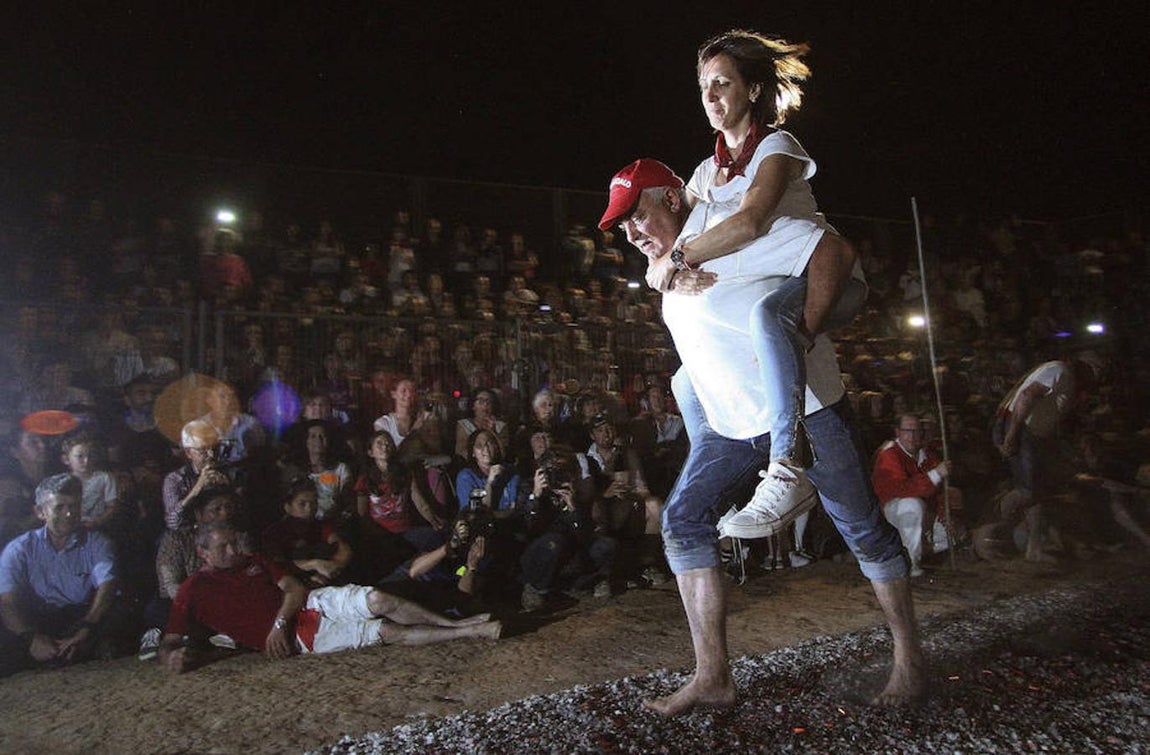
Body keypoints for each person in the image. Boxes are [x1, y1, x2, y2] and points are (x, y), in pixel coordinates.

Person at [599, 154, 923, 714]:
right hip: (730, 429)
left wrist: (807, 328)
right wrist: (666, 268)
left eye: (639, 216)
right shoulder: (667, 264)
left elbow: (834, 254)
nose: (632, 233)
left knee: (864, 531)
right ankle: (713, 677)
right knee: (682, 521)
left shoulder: (733, 232)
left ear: (672, 200)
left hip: (807, 416)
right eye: (623, 226)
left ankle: (910, 663)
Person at [601, 31, 865, 541]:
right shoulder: (706, 173)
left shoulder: (776, 146)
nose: (712, 97)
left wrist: (678, 258)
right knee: (685, 381)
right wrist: (676, 271)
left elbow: (748, 222)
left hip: (819, 274)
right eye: (704, 88)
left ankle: (786, 466)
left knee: (768, 320)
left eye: (722, 84)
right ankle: (727, 477)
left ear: (752, 91)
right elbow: (691, 226)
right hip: (777, 275)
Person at [158, 522, 501, 673]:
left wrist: (278, 621)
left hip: (309, 604)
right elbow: (169, 641)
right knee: (383, 632)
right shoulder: (193, 590)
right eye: (224, 547)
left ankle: (455, 621)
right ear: (203, 553)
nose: (234, 550)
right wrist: (175, 657)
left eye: (234, 542)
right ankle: (467, 631)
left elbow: (294, 588)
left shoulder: (253, 561)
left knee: (380, 599)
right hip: (301, 637)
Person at [0, 475, 122, 675]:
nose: (68, 514)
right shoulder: (19, 549)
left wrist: (86, 627)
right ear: (40, 512)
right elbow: (7, 602)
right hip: (37, 620)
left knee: (119, 613)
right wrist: (30, 638)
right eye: (59, 507)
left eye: (74, 506)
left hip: (81, 616)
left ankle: (80, 648)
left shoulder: (97, 543)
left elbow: (107, 585)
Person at [992, 351, 1106, 561]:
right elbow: (1027, 396)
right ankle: (992, 523)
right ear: (1087, 366)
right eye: (1097, 370)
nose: (1098, 376)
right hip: (1021, 428)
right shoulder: (1059, 370)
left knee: (1038, 491)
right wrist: (1012, 433)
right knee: (1027, 491)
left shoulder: (1069, 380)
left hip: (1033, 435)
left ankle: (1033, 548)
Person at [872, 415, 963, 577]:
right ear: (898, 432)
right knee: (912, 505)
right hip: (892, 512)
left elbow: (940, 491)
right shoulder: (889, 454)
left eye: (916, 431)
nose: (912, 436)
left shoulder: (926, 455)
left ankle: (918, 549)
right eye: (907, 431)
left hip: (923, 511)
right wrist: (936, 474)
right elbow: (902, 488)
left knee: (952, 535)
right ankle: (911, 562)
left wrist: (944, 513)